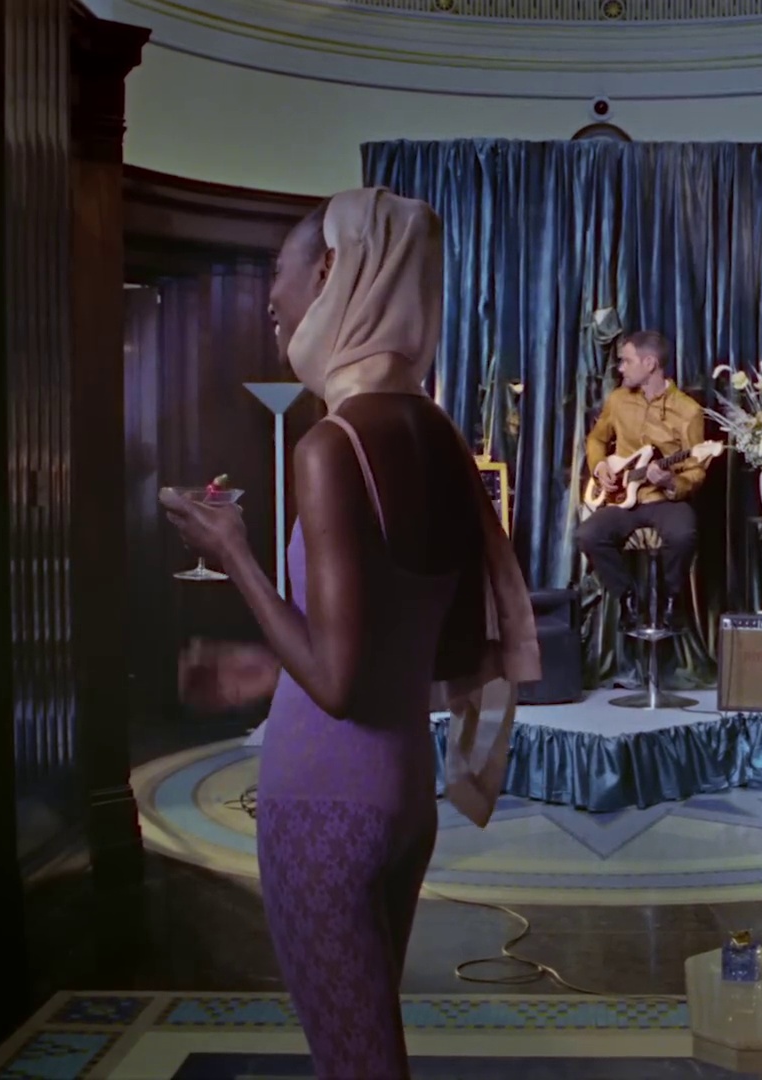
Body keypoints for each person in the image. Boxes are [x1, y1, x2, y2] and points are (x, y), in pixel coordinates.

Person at [159, 187, 540, 1080]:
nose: (271, 298)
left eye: (278, 272)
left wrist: (233, 553)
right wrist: (269, 668)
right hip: (403, 799)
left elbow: (334, 683)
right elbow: (428, 649)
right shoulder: (438, 435)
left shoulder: (332, 445)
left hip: (320, 807)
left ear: (332, 272)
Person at [575, 329, 708, 627]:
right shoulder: (618, 400)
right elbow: (596, 439)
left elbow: (697, 469)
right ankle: (627, 597)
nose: (621, 368)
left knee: (683, 534)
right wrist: (600, 466)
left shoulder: (688, 411)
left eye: (626, 361)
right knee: (587, 535)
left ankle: (671, 600)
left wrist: (670, 482)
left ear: (650, 364)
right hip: (623, 500)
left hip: (665, 501)